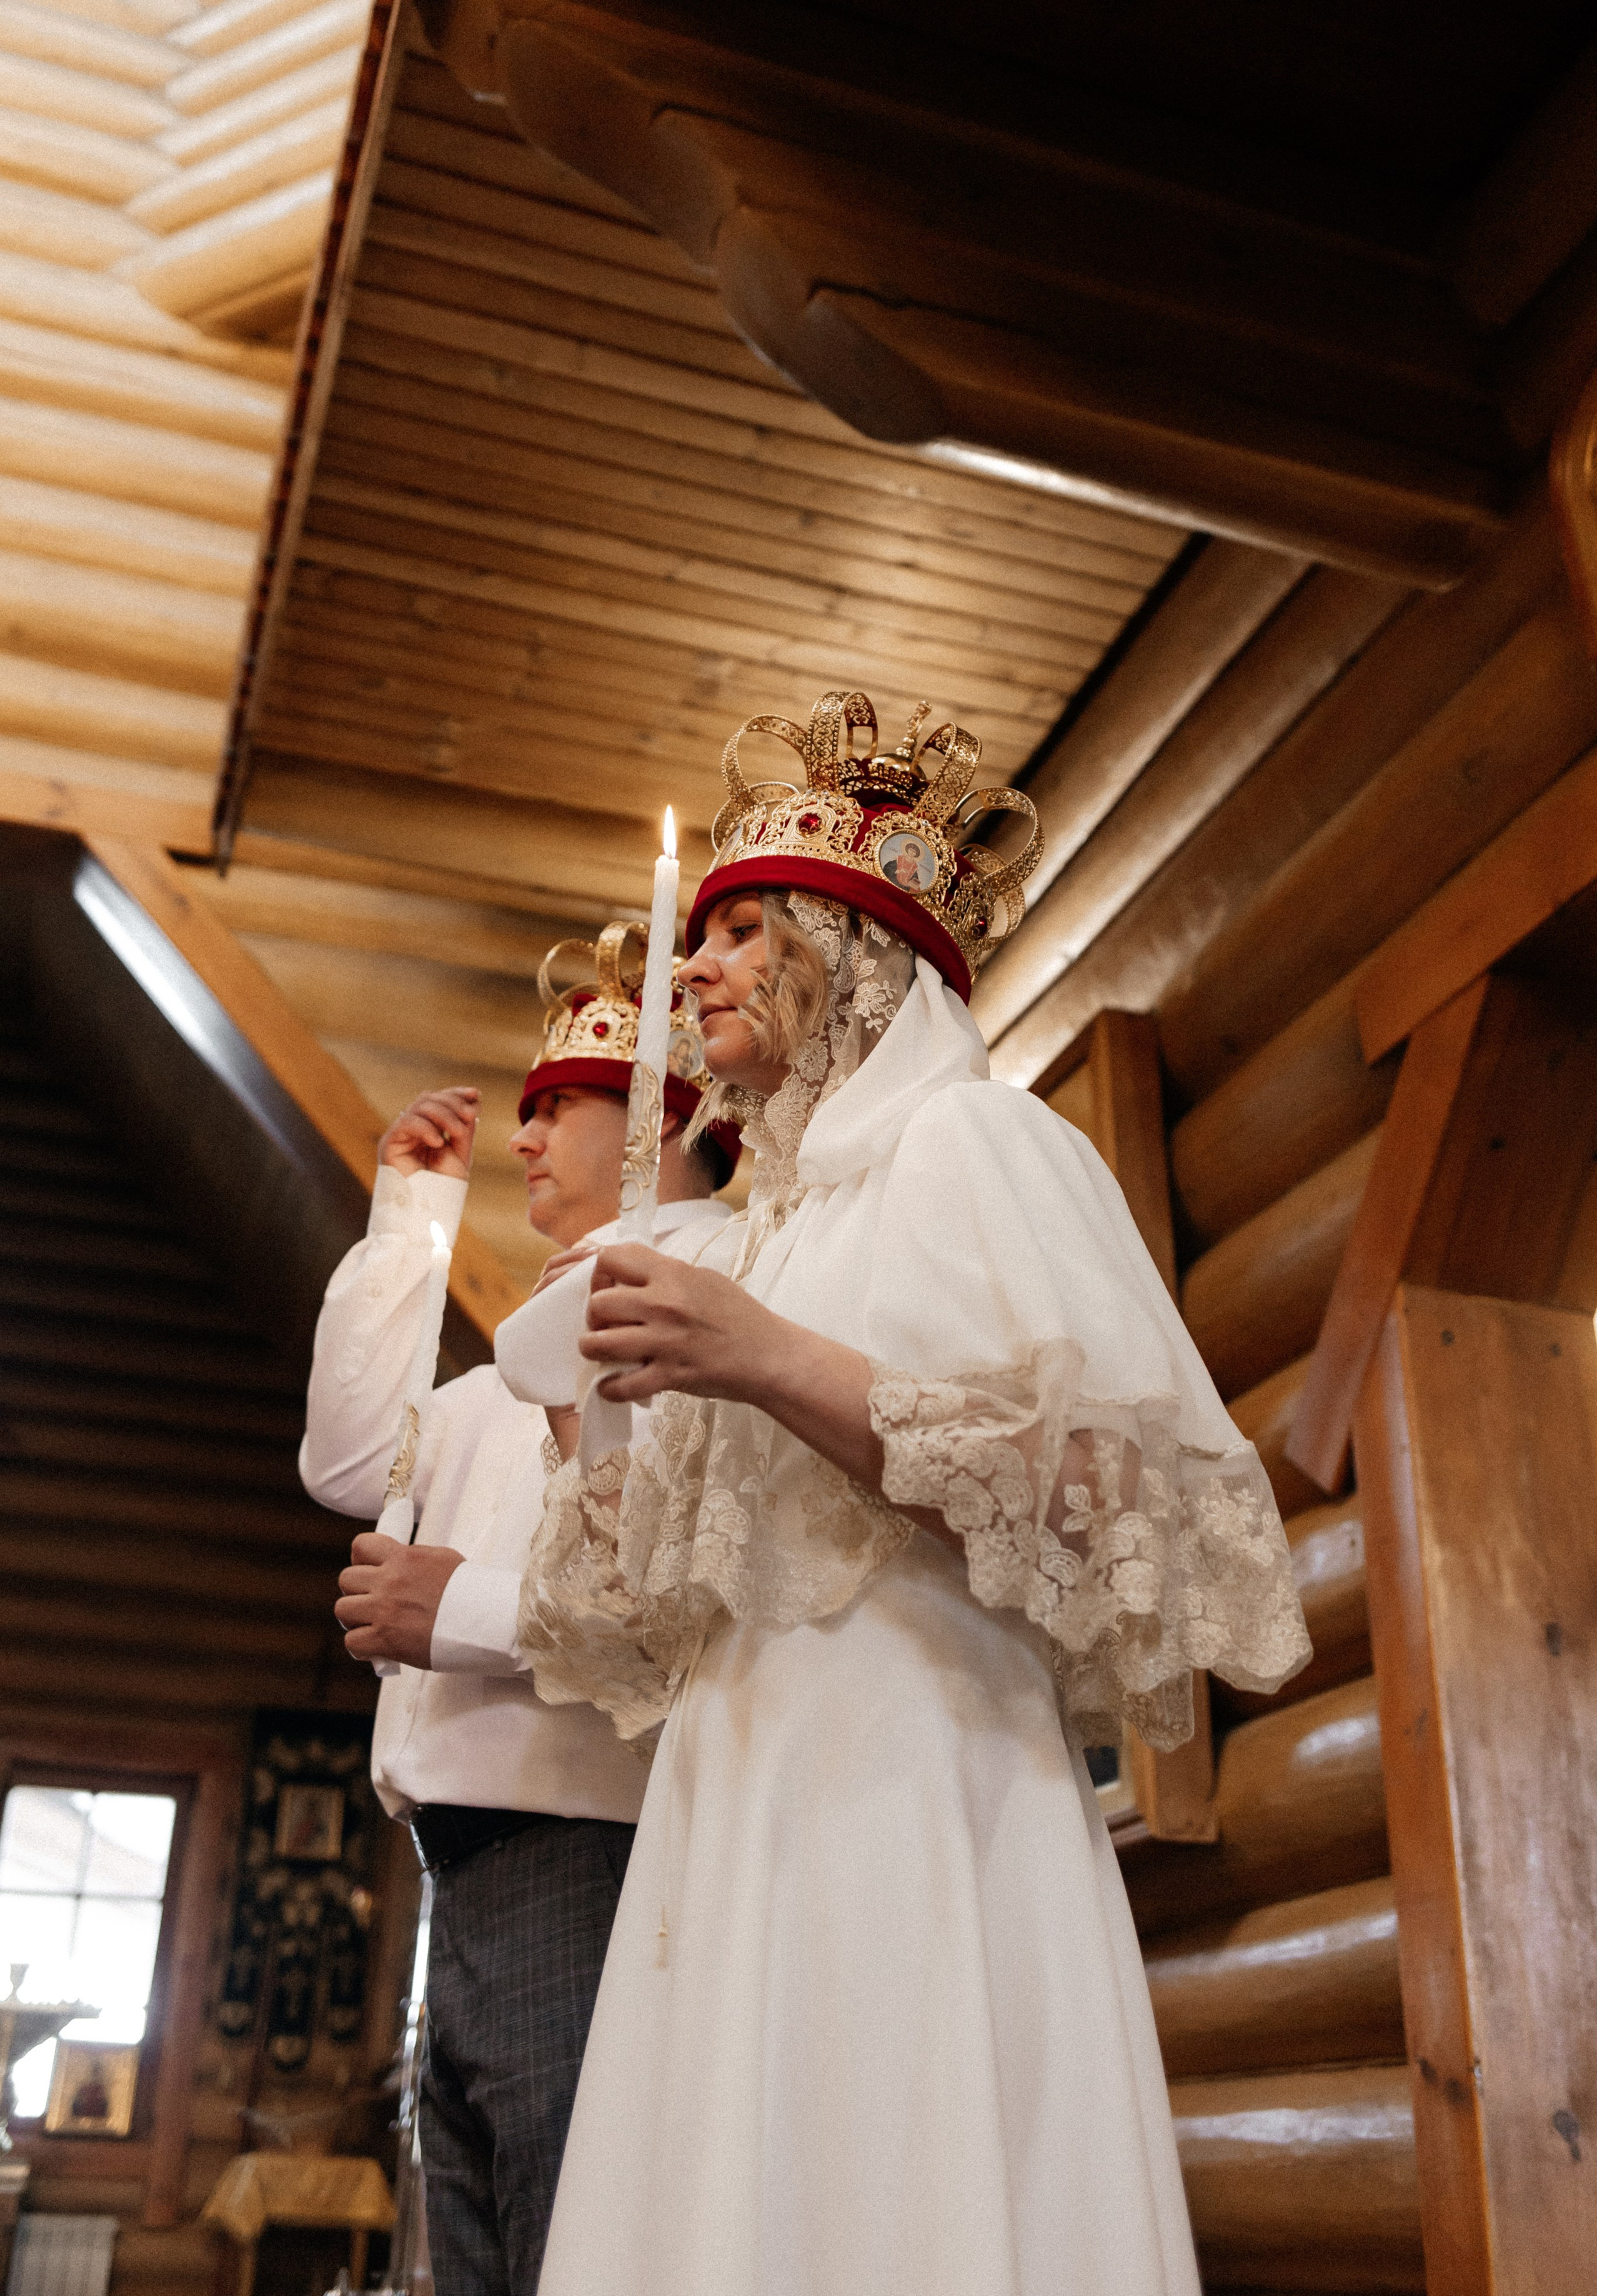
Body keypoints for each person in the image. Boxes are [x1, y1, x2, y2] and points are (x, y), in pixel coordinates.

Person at [506, 692, 1312, 2296]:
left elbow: (1110, 1511)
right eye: (701, 934)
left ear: (845, 952)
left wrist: (769, 1358)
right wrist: (593, 1446)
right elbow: (646, 1617)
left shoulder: (979, 1147)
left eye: (739, 931)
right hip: (737, 1801)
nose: (694, 969)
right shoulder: (753, 1231)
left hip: (910, 1777)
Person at [300, 926, 738, 2295]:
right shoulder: (508, 1365)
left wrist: (461, 1608)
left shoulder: (699, 1299)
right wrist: (410, 1222)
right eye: (528, 1104)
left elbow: (692, 1580)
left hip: (586, 1843)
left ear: (663, 1116)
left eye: (563, 1102)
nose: (527, 1130)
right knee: (478, 2258)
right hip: (462, 1862)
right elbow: (350, 1460)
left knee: (572, 2253)